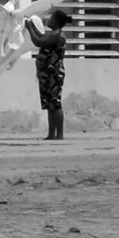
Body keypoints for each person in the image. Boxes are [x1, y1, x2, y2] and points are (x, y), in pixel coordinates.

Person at [25, 7, 73, 140]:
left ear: (56, 22)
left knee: (55, 103)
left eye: (51, 18)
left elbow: (38, 41)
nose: (48, 20)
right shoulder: (52, 34)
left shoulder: (57, 36)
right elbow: (41, 36)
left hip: (54, 74)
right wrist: (32, 27)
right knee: (49, 104)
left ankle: (60, 133)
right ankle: (52, 133)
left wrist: (29, 29)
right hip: (47, 74)